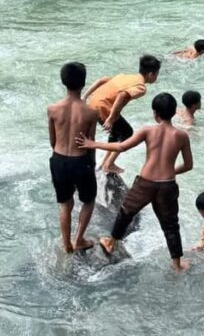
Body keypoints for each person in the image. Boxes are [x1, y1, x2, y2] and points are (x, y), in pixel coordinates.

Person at [78, 93, 192, 270]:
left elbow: (121, 146)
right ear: (173, 113)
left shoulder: (148, 130)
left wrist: (93, 144)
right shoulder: (182, 136)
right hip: (167, 185)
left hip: (146, 182)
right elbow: (188, 165)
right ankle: (177, 264)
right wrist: (171, 171)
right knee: (170, 225)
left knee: (125, 212)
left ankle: (111, 242)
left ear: (155, 113)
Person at [47, 61, 98, 253]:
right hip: (81, 161)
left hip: (59, 159)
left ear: (63, 82)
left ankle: (66, 243)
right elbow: (90, 142)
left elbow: (52, 140)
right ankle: (79, 239)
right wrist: (91, 163)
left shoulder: (52, 109)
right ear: (83, 83)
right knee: (89, 200)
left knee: (65, 203)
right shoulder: (91, 112)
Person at [84, 55, 161, 175]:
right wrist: (110, 118)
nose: (156, 76)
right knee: (127, 133)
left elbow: (102, 80)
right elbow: (122, 95)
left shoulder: (126, 76)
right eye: (157, 74)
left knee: (116, 132)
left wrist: (85, 96)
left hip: (93, 103)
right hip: (103, 107)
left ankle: (106, 162)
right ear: (151, 74)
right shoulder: (141, 87)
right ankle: (109, 164)